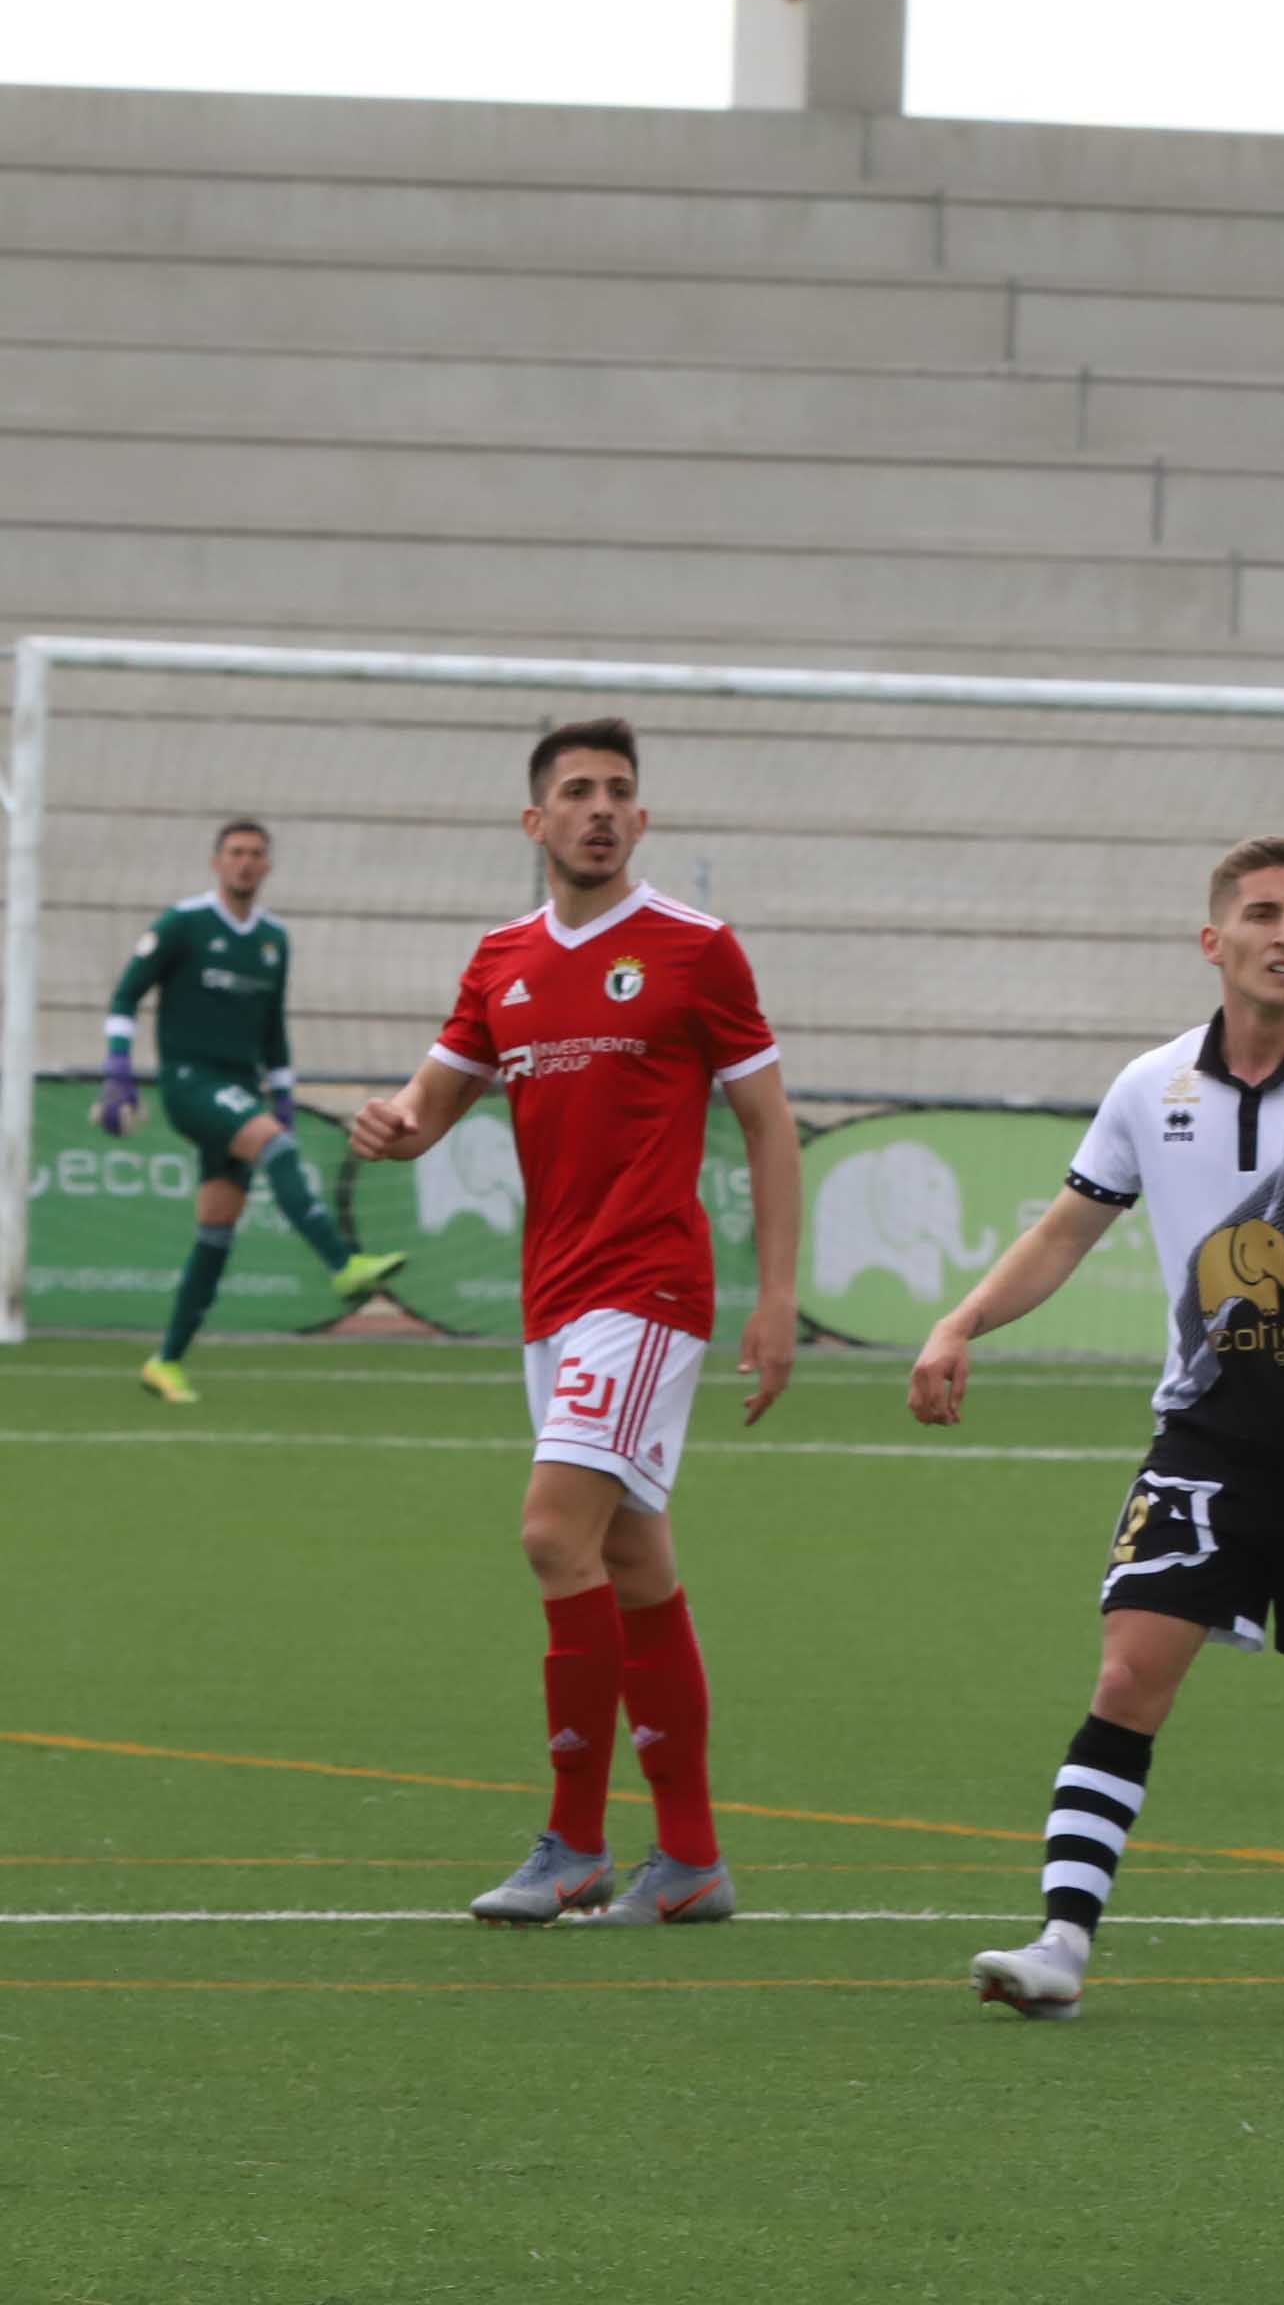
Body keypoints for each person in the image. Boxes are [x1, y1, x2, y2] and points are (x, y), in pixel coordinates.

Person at [911, 836, 1284, 2022]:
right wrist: (960, 1319)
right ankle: (1063, 1940)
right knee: (1128, 1671)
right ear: (1212, 940)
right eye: (1263, 913)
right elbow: (1065, 1229)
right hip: (1205, 1436)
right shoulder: (1148, 1085)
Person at [348, 720, 799, 1928]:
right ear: (534, 821)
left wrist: (772, 1301)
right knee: (634, 1558)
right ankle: (693, 1857)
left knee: (554, 1533)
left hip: (644, 1287)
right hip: (550, 1300)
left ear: (640, 821)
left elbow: (766, 1123)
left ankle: (576, 1841)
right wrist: (392, 1124)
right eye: (576, 791)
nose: (600, 807)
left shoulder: (696, 949)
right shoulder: (500, 957)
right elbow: (433, 1100)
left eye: (619, 792)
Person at [96, 816, 407, 1403]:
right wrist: (117, 1071)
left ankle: (166, 1362)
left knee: (216, 1233)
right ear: (217, 862)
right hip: (191, 1083)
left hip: (242, 1089)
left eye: (256, 853)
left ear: (267, 866)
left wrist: (283, 1095)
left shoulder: (273, 940)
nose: (245, 862)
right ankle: (343, 1263)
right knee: (279, 1150)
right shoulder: (184, 924)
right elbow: (125, 994)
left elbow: (272, 1028)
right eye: (235, 852)